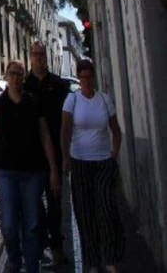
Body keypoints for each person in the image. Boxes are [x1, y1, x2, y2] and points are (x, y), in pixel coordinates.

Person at [0, 59, 60, 273]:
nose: (16, 78)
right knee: (8, 225)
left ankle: (31, 265)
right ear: (6, 76)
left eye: (19, 74)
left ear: (24, 77)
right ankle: (14, 258)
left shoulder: (33, 102)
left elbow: (45, 137)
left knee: (32, 224)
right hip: (5, 173)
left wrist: (53, 169)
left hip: (32, 173)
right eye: (12, 73)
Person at [61, 59, 124, 273]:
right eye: (83, 77)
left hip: (103, 163)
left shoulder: (105, 100)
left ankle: (111, 259)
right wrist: (66, 157)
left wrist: (114, 155)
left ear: (94, 77)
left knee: (107, 211)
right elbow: (65, 130)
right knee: (85, 215)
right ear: (79, 78)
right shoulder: (72, 100)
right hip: (80, 163)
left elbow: (116, 130)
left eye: (90, 76)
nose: (86, 81)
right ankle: (92, 262)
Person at [25, 41, 70, 267]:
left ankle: (58, 248)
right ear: (30, 57)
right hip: (32, 157)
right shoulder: (24, 86)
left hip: (57, 154)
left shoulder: (59, 85)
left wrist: (67, 155)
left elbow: (67, 121)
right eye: (35, 54)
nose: (39, 58)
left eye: (42, 54)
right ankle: (41, 246)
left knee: (55, 206)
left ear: (47, 57)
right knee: (34, 206)